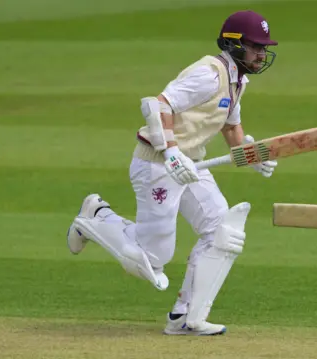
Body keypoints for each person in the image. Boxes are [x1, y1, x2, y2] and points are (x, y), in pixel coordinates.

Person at [65, 10, 279, 336]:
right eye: (256, 47)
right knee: (150, 260)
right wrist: (172, 152)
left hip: (192, 165)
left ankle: (185, 317)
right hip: (157, 163)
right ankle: (94, 215)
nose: (262, 54)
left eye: (264, 48)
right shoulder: (208, 73)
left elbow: (232, 129)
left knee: (221, 229)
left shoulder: (238, 80)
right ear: (235, 45)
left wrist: (253, 155)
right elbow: (157, 105)